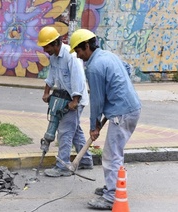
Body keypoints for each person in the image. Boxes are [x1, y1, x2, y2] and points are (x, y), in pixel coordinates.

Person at [69, 29, 141, 210]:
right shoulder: (107, 55)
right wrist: (118, 90)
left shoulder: (93, 67)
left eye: (78, 51)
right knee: (115, 152)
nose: (78, 56)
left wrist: (94, 126)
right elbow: (127, 69)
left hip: (121, 113)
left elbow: (97, 100)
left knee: (111, 155)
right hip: (131, 107)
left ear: (86, 46)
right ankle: (113, 187)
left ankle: (111, 197)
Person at [37, 26, 93, 177]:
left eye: (46, 46)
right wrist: (46, 92)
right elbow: (51, 75)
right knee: (75, 131)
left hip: (75, 100)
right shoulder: (54, 57)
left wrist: (75, 101)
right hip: (63, 98)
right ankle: (86, 160)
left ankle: (62, 166)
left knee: (65, 131)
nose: (45, 50)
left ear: (55, 43)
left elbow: (78, 79)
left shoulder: (71, 56)